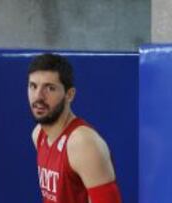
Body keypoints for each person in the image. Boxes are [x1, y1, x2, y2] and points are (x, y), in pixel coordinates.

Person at [28, 53, 122, 203]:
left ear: (69, 95)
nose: (38, 96)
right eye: (33, 86)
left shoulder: (83, 144)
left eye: (50, 88)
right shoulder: (38, 134)